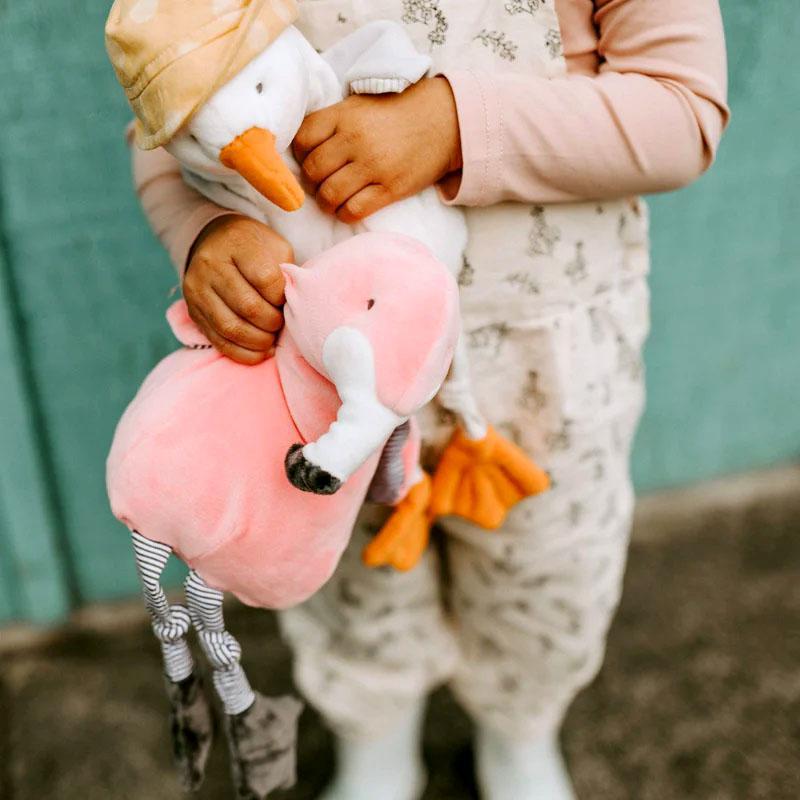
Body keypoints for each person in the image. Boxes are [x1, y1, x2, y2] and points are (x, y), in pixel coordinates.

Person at [129, 1, 728, 797]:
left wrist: (454, 126)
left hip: (542, 372)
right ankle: (376, 741)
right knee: (353, 583)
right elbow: (163, 118)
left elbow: (682, 111)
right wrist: (202, 230)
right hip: (327, 374)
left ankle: (520, 735)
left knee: (546, 576)